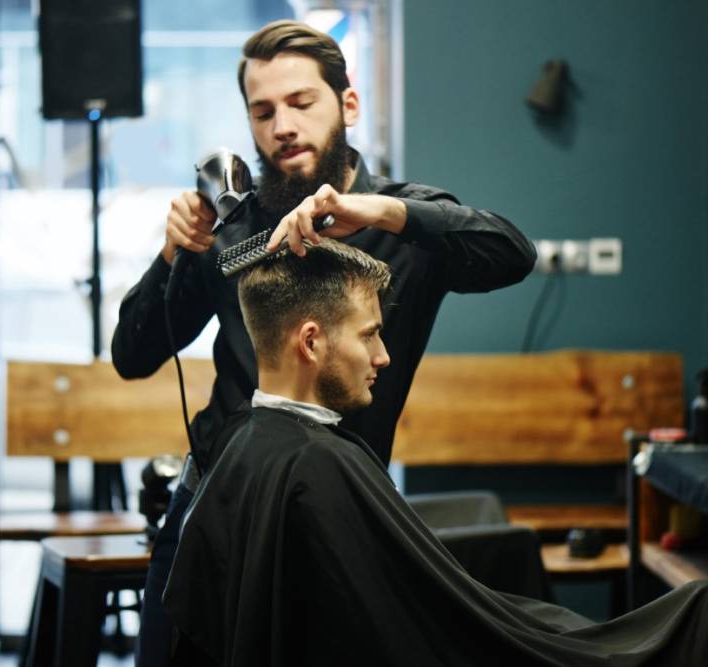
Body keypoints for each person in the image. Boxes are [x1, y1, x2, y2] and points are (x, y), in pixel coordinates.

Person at [163, 240, 708, 666]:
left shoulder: (244, 451)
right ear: (311, 342)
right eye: (371, 334)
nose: (384, 356)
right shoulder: (317, 466)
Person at [112, 19, 536, 665]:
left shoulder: (404, 222)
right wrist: (171, 253)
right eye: (263, 111)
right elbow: (133, 354)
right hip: (216, 506)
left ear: (348, 104)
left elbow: (512, 253)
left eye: (301, 103)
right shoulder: (231, 229)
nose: (282, 125)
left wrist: (382, 212)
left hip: (340, 516)